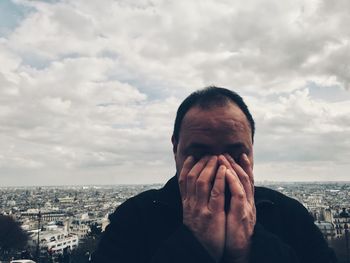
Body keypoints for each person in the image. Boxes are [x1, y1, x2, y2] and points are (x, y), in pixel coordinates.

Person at [92, 86, 336, 263]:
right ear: (175, 147)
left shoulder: (290, 215)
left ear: (252, 149)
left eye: (235, 153)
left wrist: (249, 246)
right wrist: (194, 243)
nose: (220, 168)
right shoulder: (133, 220)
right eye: (199, 155)